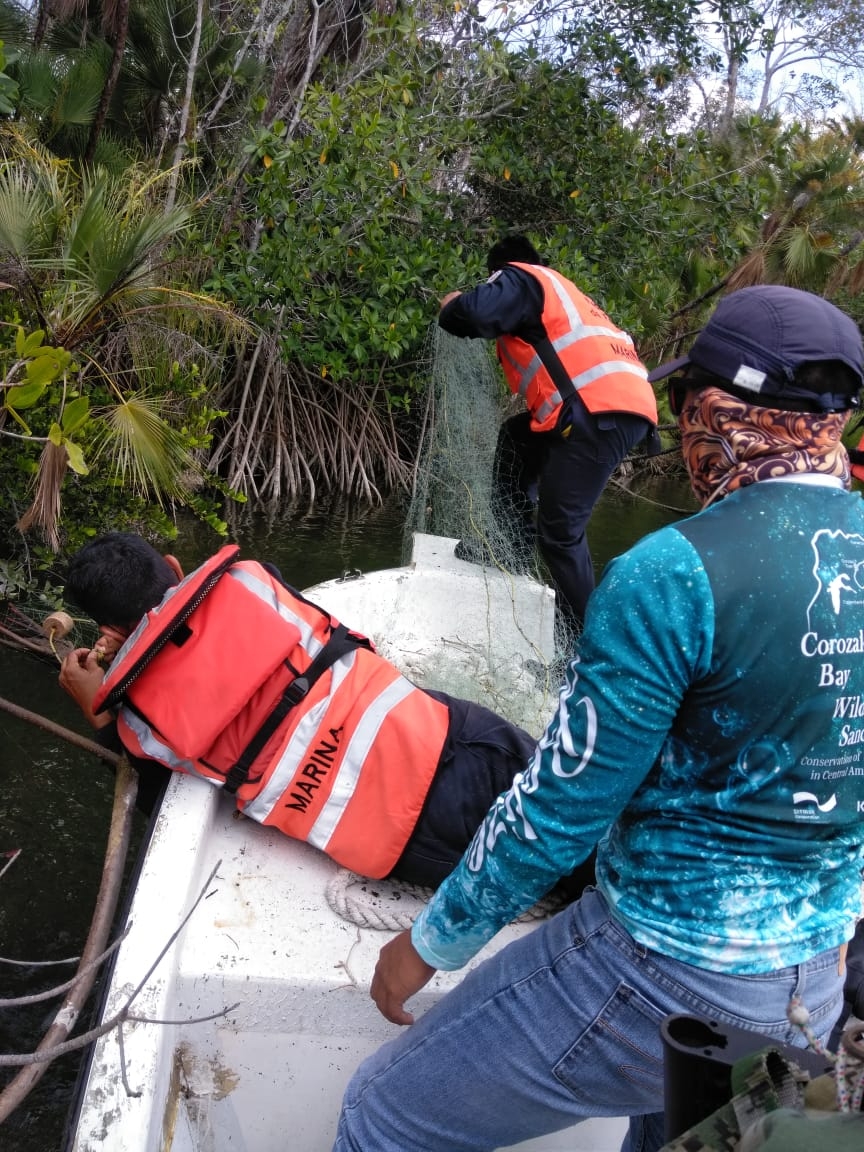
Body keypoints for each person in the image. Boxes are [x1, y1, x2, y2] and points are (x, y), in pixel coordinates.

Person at [333, 285, 864, 1152]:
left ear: (717, 410)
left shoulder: (674, 572)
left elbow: (559, 810)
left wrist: (430, 943)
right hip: (814, 988)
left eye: (691, 401)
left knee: (382, 1114)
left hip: (661, 968)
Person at [58, 532, 549, 890]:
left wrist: (97, 709)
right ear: (174, 565)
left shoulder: (139, 727)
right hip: (459, 738)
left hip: (414, 844)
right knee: (589, 812)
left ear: (112, 632)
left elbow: (153, 796)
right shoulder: (254, 579)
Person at [438, 234, 659, 628]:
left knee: (560, 534)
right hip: (614, 407)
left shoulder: (521, 277)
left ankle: (580, 648)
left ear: (500, 269)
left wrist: (453, 305)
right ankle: (511, 549)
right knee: (516, 438)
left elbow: (472, 315)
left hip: (596, 410)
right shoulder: (566, 293)